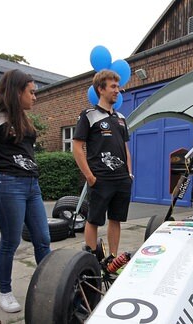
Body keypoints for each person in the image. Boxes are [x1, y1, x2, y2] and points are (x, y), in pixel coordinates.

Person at [0, 69, 51, 313]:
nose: (35, 97)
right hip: (9, 185)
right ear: (17, 91)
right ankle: (5, 292)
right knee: (10, 242)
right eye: (31, 92)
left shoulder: (24, 118)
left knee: (43, 239)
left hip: (32, 185)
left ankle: (48, 286)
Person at [73, 69, 133, 264]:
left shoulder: (121, 118)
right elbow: (77, 147)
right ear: (101, 89)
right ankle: (91, 262)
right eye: (113, 86)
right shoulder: (88, 115)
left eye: (118, 86)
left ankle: (112, 261)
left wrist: (129, 174)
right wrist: (90, 177)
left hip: (121, 180)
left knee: (116, 219)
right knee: (94, 220)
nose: (118, 90)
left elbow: (125, 148)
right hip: (100, 179)